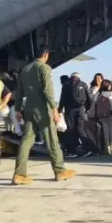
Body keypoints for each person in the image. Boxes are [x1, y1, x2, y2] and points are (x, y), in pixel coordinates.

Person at [12, 48, 76, 185]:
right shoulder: (45, 68)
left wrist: (17, 109)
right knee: (52, 140)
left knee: (26, 141)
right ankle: (59, 170)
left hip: (28, 108)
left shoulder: (25, 70)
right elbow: (48, 90)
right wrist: (54, 108)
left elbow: (19, 92)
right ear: (46, 55)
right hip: (43, 109)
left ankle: (19, 174)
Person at [58, 72, 97, 158]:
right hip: (81, 109)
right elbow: (89, 98)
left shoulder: (67, 84)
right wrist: (87, 108)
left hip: (70, 110)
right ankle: (89, 149)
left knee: (71, 130)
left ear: (71, 77)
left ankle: (72, 151)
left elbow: (62, 98)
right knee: (80, 129)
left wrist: (59, 110)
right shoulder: (84, 84)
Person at [92, 79, 112, 154]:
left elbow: (94, 103)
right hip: (110, 114)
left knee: (105, 131)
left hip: (101, 115)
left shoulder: (98, 94)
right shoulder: (110, 94)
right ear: (108, 86)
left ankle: (107, 148)